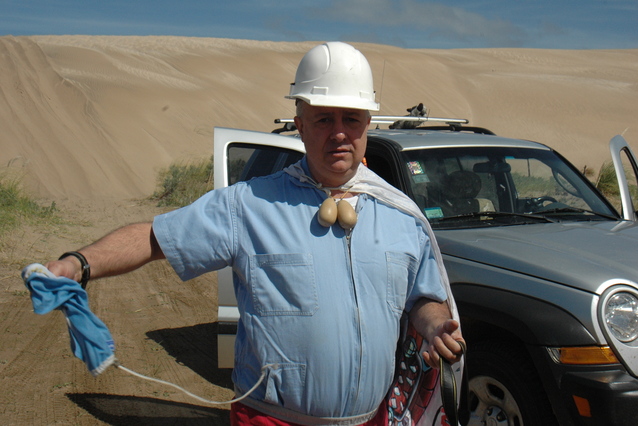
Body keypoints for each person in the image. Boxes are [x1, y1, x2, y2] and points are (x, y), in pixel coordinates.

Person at [45, 42, 464, 425]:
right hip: (269, 420)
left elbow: (422, 298)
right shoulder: (248, 205)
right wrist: (79, 264)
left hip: (372, 420)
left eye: (350, 118)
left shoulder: (401, 215)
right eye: (323, 118)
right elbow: (157, 238)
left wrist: (435, 325)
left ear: (367, 123)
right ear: (299, 125)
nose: (339, 132)